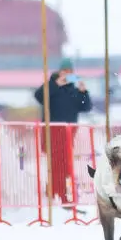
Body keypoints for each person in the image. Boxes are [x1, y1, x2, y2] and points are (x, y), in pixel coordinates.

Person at [34, 60, 92, 207]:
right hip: (51, 132)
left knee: (65, 165)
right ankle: (55, 193)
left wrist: (84, 92)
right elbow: (39, 96)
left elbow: (86, 107)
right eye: (64, 71)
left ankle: (62, 194)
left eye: (70, 71)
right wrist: (56, 84)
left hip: (68, 134)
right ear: (59, 72)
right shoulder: (52, 86)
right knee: (55, 164)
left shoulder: (73, 90)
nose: (67, 74)